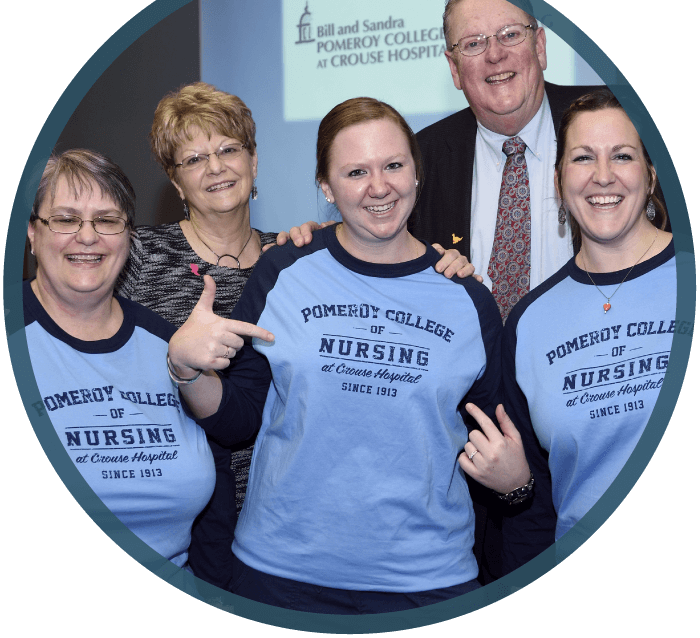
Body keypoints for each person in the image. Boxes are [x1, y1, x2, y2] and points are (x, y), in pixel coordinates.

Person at [167, 97, 531, 613]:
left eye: (393, 165)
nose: (378, 187)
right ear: (325, 186)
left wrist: (518, 486)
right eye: (355, 171)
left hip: (426, 581)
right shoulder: (283, 272)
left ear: (416, 173)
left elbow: (497, 450)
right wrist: (184, 370)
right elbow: (238, 420)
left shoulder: (467, 295)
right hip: (280, 577)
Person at [500, 90, 674, 573]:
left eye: (622, 155)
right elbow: (533, 507)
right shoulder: (528, 323)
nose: (603, 175)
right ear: (558, 181)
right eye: (582, 158)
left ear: (651, 174)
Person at [115, 82, 278, 589]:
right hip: (176, 501)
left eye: (229, 149)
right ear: (175, 181)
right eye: (194, 159)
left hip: (279, 506)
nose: (216, 167)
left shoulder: (293, 260)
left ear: (254, 161)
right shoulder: (136, 256)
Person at [24, 149, 215, 569]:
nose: (87, 236)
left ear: (129, 238)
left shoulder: (170, 344)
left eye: (108, 220)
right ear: (33, 233)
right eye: (65, 218)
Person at [411, 0, 609, 322]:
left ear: (540, 46)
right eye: (473, 43)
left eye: (510, 34)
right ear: (455, 68)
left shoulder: (617, 120)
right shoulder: (421, 158)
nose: (495, 54)